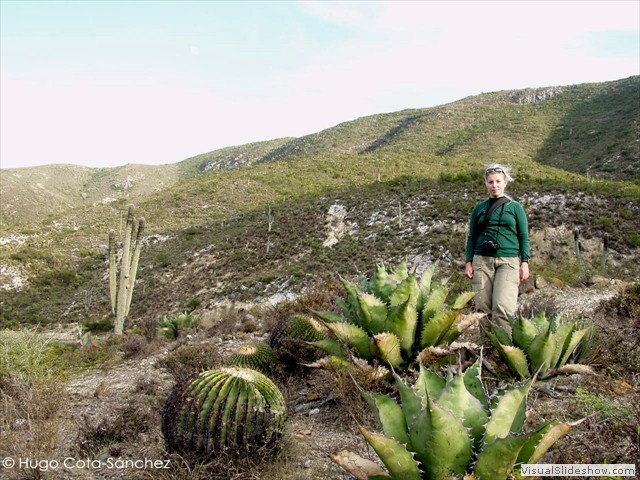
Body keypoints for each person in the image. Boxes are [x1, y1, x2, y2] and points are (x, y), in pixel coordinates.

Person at [465, 164, 530, 328]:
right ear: (486, 183)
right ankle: (486, 349)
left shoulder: (515, 208)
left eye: (498, 181)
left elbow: (523, 236)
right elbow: (472, 237)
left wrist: (525, 261)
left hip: (508, 261)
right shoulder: (479, 208)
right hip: (482, 260)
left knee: (503, 307)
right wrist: (468, 262)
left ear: (505, 182)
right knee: (482, 308)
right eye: (491, 182)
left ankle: (503, 349)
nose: (494, 185)